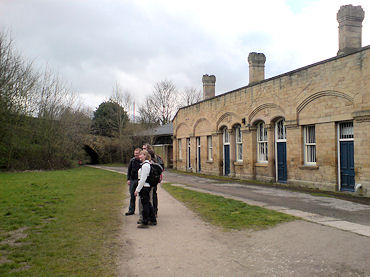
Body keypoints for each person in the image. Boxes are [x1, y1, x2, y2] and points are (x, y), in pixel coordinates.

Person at [134, 150, 157, 228]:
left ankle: (145, 221)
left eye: (141, 155)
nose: (139, 156)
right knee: (148, 204)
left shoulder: (145, 166)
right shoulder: (146, 164)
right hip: (146, 187)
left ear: (145, 156)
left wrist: (137, 190)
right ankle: (153, 219)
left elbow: (143, 179)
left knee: (145, 205)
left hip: (145, 187)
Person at [142, 143, 164, 217]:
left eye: (144, 148)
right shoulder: (146, 158)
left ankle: (153, 212)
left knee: (152, 195)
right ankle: (152, 212)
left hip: (152, 179)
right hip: (152, 179)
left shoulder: (154, 158)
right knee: (152, 195)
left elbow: (160, 168)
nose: (143, 150)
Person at [125, 148, 141, 216]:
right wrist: (128, 179)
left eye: (137, 154)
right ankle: (131, 210)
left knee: (142, 196)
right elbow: (129, 170)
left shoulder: (142, 161)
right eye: (135, 153)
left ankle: (142, 211)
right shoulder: (132, 161)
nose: (135, 155)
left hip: (139, 180)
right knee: (132, 195)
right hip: (132, 180)